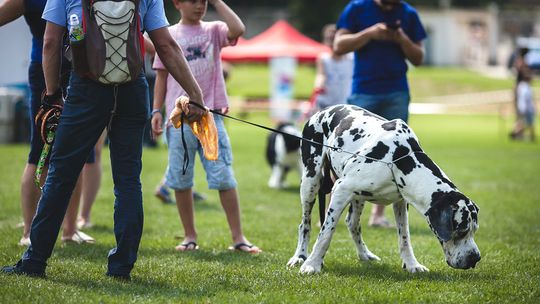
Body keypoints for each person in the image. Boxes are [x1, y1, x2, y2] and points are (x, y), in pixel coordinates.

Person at [2, 0, 205, 279]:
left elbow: (50, 42)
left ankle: (34, 262)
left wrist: (51, 95)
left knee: (60, 175)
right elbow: (166, 46)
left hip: (86, 88)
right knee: (128, 181)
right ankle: (121, 267)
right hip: (133, 90)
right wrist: (196, 95)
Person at [151, 0, 261, 253]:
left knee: (223, 177)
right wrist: (157, 110)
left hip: (212, 118)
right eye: (194, 0)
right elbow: (161, 75)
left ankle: (238, 238)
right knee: (180, 180)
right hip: (179, 122)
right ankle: (189, 236)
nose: (200, 5)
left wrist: (217, 2)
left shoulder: (213, 30)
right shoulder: (167, 35)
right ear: (177, 3)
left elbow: (238, 29)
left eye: (203, 1)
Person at [0, 0, 95, 246]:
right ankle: (31, 232)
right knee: (42, 151)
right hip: (48, 73)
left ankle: (68, 230)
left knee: (76, 152)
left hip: (79, 72)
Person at [334, 0, 427, 228]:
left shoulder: (409, 13)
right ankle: (332, 210)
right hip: (363, 91)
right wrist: (370, 33)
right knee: (344, 152)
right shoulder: (357, 8)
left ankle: (378, 215)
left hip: (397, 91)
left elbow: (419, 58)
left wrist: (401, 38)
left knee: (394, 155)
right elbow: (338, 45)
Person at [312, 24, 353, 111]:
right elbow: (321, 75)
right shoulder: (323, 58)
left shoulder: (351, 58)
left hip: (344, 103)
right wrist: (318, 86)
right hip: (326, 103)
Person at [510, 47, 535, 141]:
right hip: (522, 88)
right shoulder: (521, 62)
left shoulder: (521, 62)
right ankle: (517, 131)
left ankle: (520, 132)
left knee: (525, 112)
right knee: (522, 111)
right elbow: (525, 75)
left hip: (523, 87)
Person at [511, 69, 536, 141]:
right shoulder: (524, 87)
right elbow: (524, 99)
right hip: (525, 108)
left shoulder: (523, 86)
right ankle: (517, 134)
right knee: (526, 123)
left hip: (524, 108)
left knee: (523, 123)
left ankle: (519, 134)